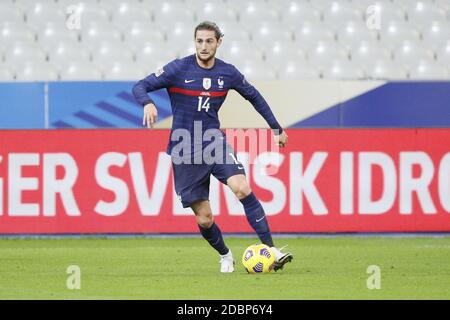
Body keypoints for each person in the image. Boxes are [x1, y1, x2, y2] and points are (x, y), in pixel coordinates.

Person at [132, 21, 293, 273]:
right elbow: (139, 85)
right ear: (194, 42)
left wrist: (276, 128)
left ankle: (272, 251)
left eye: (209, 41)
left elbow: (254, 96)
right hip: (184, 147)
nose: (204, 46)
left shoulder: (227, 73)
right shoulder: (178, 68)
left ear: (219, 42)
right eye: (199, 41)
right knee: (205, 218)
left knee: (242, 188)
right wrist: (146, 103)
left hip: (213, 142)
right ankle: (225, 254)